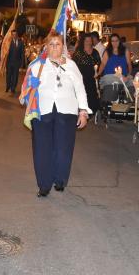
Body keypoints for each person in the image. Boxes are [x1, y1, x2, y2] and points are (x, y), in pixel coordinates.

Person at [28, 31, 91, 197]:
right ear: (46, 47)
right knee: (42, 149)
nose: (54, 47)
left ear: (63, 46)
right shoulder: (37, 65)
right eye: (51, 44)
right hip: (42, 111)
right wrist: (29, 87)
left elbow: (80, 88)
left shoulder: (71, 65)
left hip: (67, 111)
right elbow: (28, 90)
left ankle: (60, 180)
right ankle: (44, 184)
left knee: (63, 148)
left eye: (58, 44)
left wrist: (83, 111)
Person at [72, 33, 101, 113]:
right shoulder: (78, 52)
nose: (88, 42)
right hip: (81, 77)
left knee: (92, 94)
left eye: (90, 40)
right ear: (83, 41)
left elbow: (99, 63)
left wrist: (97, 73)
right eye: (86, 40)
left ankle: (92, 111)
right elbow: (74, 66)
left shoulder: (95, 52)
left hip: (92, 77)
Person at [6, 30, 24, 94]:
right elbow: (5, 53)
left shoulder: (21, 42)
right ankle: (8, 86)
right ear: (11, 35)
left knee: (15, 76)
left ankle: (13, 88)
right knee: (9, 75)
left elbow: (22, 53)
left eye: (15, 34)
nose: (14, 36)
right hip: (9, 62)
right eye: (13, 34)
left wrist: (22, 64)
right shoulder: (9, 42)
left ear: (17, 35)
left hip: (17, 63)